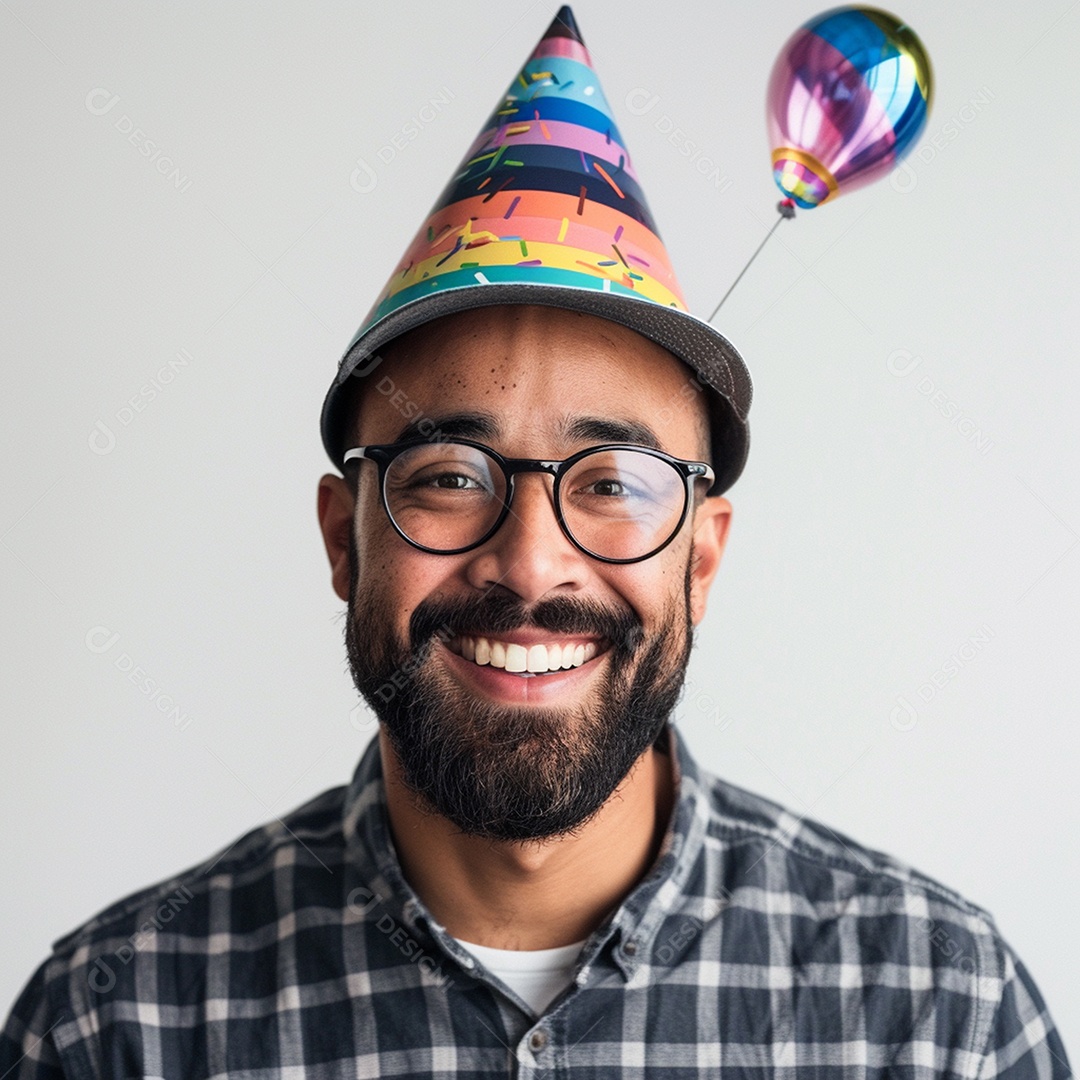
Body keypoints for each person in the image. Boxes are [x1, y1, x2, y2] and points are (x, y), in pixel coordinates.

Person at [1, 7, 1069, 1077]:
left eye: (613, 484)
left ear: (701, 558)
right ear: (343, 541)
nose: (528, 563)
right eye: (450, 478)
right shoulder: (116, 1025)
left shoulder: (943, 1018)